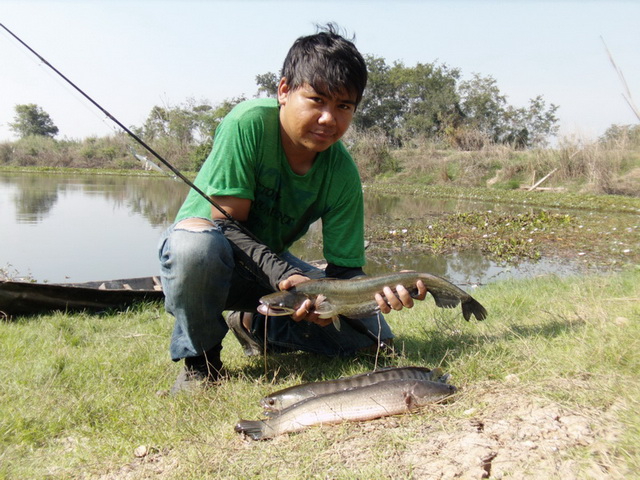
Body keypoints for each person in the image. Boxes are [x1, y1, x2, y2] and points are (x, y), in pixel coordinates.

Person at [158, 23, 427, 394]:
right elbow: (224, 225)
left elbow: (346, 270)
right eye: (317, 100)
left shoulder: (342, 171)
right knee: (195, 249)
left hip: (273, 276)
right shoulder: (248, 123)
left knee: (371, 342)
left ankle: (255, 325)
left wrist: (370, 296)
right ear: (284, 90)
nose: (329, 119)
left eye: (343, 106)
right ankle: (201, 363)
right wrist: (287, 275)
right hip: (213, 255)